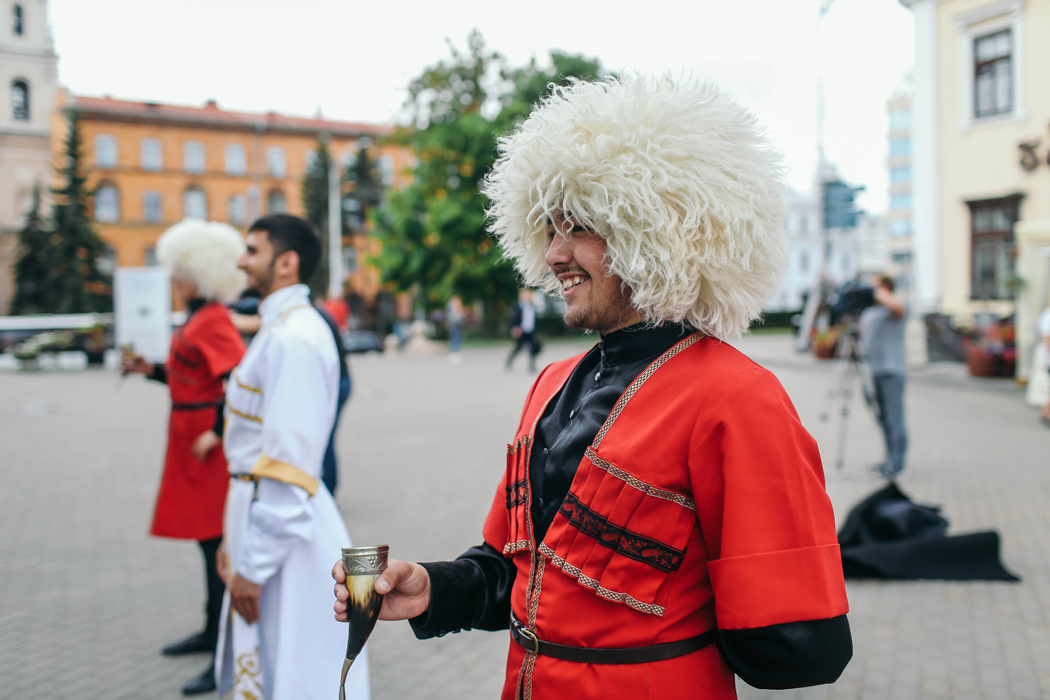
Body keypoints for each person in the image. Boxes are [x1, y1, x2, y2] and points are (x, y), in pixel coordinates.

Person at [333, 76, 851, 699]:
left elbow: (800, 646)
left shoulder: (738, 397)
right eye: (549, 229)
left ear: (659, 231)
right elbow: (518, 573)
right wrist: (432, 588)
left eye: (577, 227)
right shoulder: (551, 382)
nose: (553, 255)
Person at [217, 214, 369, 700]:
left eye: (252, 251)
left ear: (287, 262)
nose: (241, 262)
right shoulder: (281, 327)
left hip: (287, 539)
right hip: (261, 517)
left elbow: (288, 466)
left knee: (294, 673)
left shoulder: (293, 338)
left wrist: (253, 567)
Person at [121, 220, 247, 695]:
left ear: (203, 272)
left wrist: (216, 430)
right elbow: (188, 376)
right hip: (188, 436)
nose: (173, 280)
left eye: (181, 272)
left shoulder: (212, 318)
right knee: (205, 543)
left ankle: (222, 647)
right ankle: (209, 631)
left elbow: (238, 379)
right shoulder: (198, 316)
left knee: (215, 545)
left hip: (204, 445)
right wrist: (149, 370)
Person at [859, 274, 908, 479]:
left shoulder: (895, 308)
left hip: (892, 370)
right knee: (884, 419)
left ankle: (897, 464)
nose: (872, 289)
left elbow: (897, 306)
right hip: (875, 371)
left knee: (894, 419)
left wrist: (879, 292)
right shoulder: (871, 312)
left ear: (886, 287)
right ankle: (889, 459)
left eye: (876, 285)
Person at [506, 288, 541, 372]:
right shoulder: (517, 306)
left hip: (530, 331)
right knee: (518, 347)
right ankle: (509, 361)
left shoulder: (532, 306)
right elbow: (512, 318)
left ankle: (532, 365)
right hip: (521, 331)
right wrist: (514, 328)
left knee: (534, 347)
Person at [446, 295, 466, 363]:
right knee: (455, 339)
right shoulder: (451, 309)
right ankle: (454, 353)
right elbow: (452, 318)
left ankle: (455, 353)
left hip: (458, 326)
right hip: (454, 326)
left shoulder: (458, 308)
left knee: (457, 339)